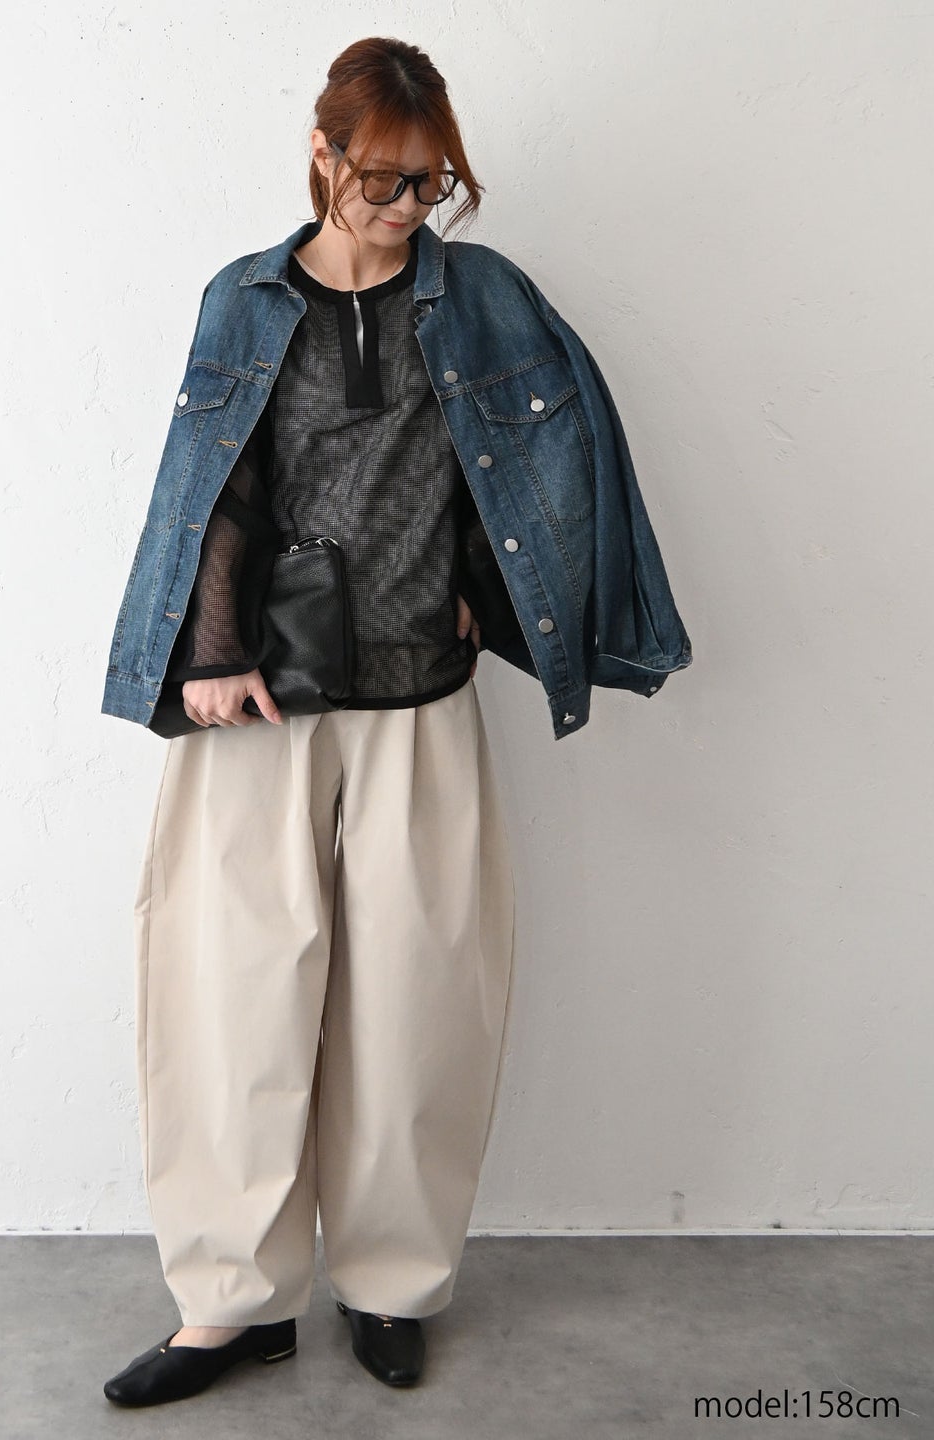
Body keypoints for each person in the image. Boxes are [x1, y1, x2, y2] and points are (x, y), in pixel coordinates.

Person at [102, 34, 691, 1410]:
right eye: (383, 180)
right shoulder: (245, 299)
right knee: (227, 1002)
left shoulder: (484, 300)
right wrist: (208, 650)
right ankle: (231, 1305)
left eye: (432, 184)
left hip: (421, 695)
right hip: (260, 702)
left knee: (419, 1010)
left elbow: (548, 454)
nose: (409, 207)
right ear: (322, 155)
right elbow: (213, 483)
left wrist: (498, 585)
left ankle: (390, 1283)